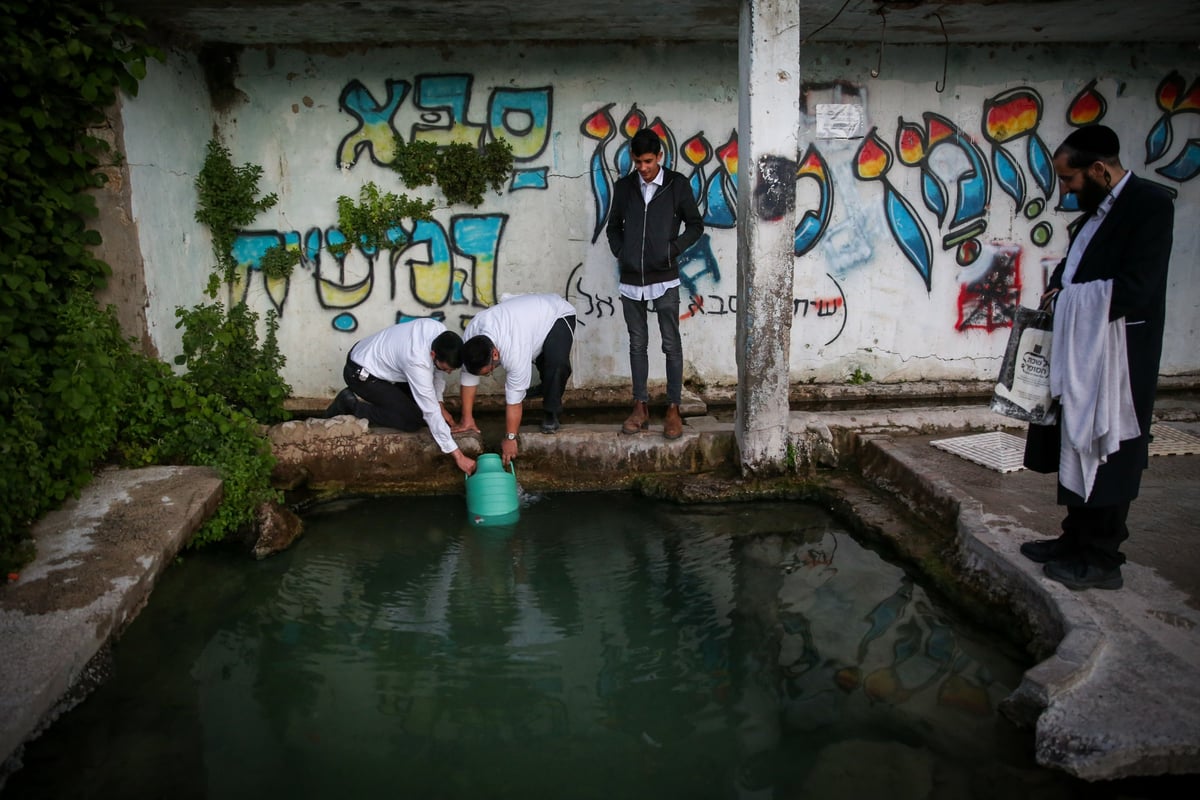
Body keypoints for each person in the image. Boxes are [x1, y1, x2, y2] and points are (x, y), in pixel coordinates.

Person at [1020, 124, 1175, 591]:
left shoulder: (1149, 206)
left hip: (1118, 355)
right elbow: (1077, 268)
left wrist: (1071, 301)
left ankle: (1103, 557)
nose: (1065, 190)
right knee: (1076, 438)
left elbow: (1137, 288)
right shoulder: (1093, 215)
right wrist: (1057, 290)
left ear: (1099, 170)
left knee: (1111, 448)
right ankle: (1074, 538)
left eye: (1069, 180)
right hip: (1082, 347)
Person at [605, 127, 704, 440]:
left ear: (660, 156)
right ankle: (640, 406)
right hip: (632, 281)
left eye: (648, 161)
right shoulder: (624, 187)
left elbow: (696, 225)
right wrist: (624, 253)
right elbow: (613, 228)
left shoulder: (677, 184)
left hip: (665, 278)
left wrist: (671, 250)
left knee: (670, 344)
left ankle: (673, 408)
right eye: (638, 161)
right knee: (637, 344)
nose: (643, 167)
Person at [325, 317, 477, 475]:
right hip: (359, 374)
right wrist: (458, 456)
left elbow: (436, 375)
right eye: (446, 369)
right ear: (433, 354)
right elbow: (430, 411)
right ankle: (352, 405)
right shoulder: (417, 361)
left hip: (371, 357)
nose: (449, 372)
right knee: (412, 420)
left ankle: (381, 402)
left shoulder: (438, 331)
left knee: (421, 405)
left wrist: (440, 404)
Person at [455, 293, 577, 465]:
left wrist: (511, 438)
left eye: (488, 371)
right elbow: (468, 377)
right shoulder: (472, 335)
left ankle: (551, 411)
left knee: (556, 364)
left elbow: (514, 401)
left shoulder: (514, 351)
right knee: (546, 363)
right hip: (527, 320)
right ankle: (546, 386)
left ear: (495, 353)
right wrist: (466, 418)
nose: (489, 374)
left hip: (557, 315)